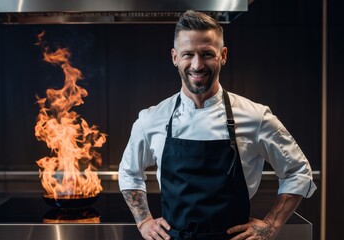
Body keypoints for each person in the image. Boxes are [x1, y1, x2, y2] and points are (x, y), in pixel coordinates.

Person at [118, 10, 316, 240]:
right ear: (174, 57)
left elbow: (298, 171)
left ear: (223, 55)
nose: (197, 64)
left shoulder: (256, 117)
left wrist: (271, 224)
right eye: (188, 54)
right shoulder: (151, 119)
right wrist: (144, 221)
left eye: (207, 54)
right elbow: (129, 171)